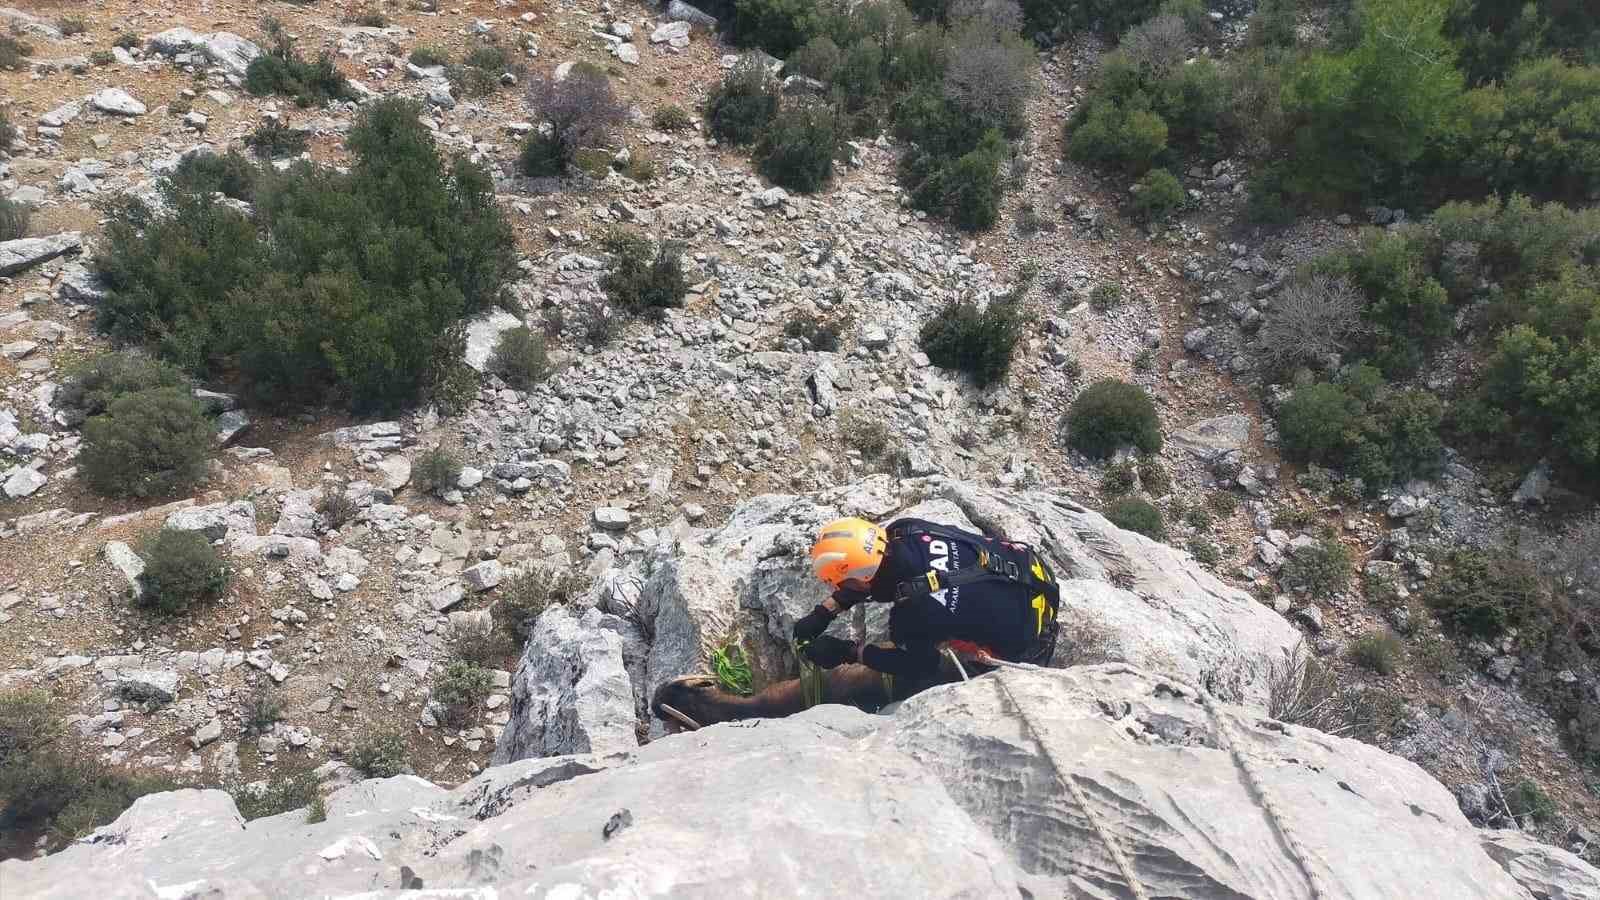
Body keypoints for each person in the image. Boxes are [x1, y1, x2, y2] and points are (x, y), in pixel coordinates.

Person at [651, 516, 1060, 728]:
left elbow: (912, 663)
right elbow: (873, 576)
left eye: (841, 584)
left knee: (856, 681)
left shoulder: (913, 617)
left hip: (1025, 650)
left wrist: (849, 652)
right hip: (1027, 580)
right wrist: (824, 613)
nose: (840, 590)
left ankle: (733, 712)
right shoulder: (906, 531)